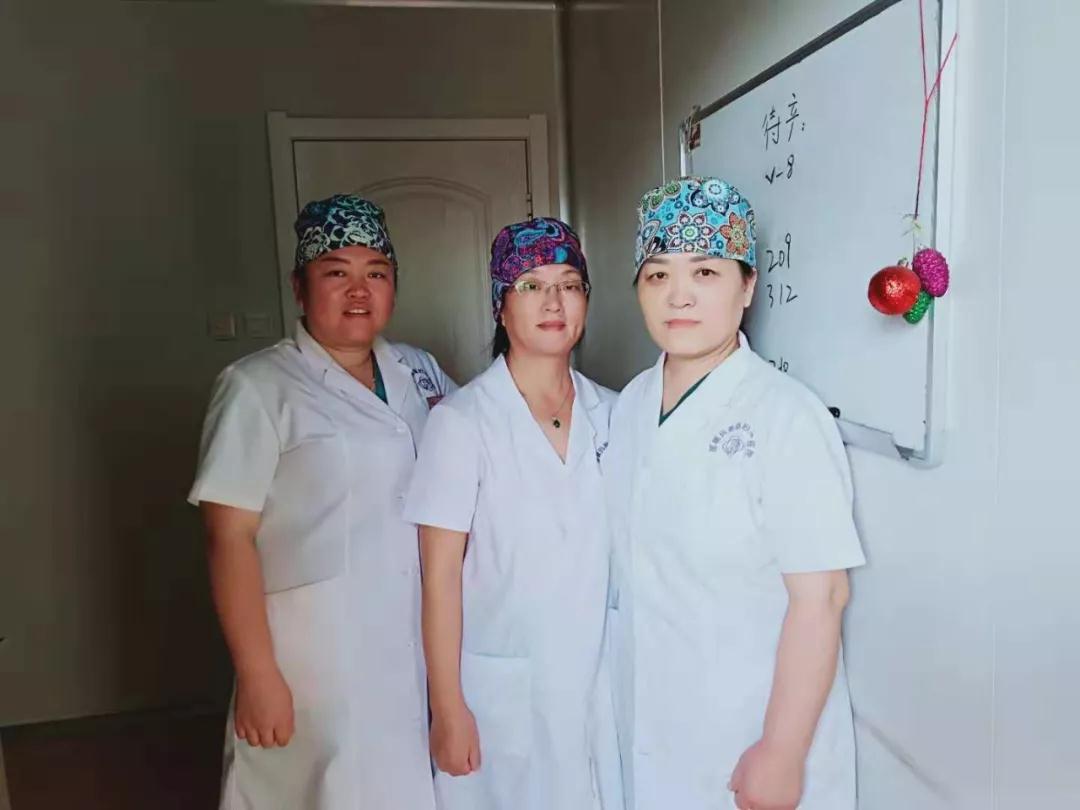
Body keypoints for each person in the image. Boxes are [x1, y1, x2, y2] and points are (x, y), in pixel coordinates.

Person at [604, 177, 866, 810]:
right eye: (658, 275)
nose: (679, 295)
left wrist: (781, 751)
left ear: (747, 286)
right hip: (653, 724)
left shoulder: (786, 416)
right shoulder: (631, 403)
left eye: (706, 272)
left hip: (751, 734)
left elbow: (822, 597)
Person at [189, 194, 454, 810]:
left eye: (376, 273)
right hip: (314, 659)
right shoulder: (257, 387)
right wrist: (257, 675)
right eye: (337, 272)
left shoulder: (420, 371)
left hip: (415, 643)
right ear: (300, 288)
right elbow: (228, 538)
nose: (359, 290)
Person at [403, 218, 622, 810]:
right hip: (503, 690)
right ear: (501, 308)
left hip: (599, 680)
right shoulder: (461, 421)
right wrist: (447, 707)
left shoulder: (615, 412)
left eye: (569, 284)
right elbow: (439, 577)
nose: (553, 301)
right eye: (530, 286)